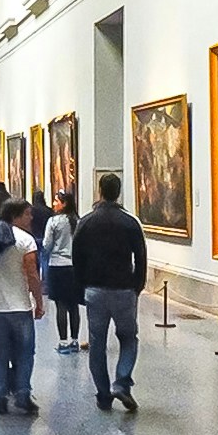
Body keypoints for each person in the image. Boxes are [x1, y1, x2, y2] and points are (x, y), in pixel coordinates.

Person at [73, 173, 147, 413]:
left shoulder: (86, 222)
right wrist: (137, 285)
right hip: (124, 289)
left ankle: (103, 394)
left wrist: (82, 286)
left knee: (97, 343)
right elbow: (141, 257)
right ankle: (122, 382)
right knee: (128, 338)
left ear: (100, 191)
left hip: (95, 289)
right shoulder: (130, 222)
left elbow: (77, 258)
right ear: (119, 192)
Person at [0, 198, 45, 415]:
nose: (31, 218)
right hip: (20, 306)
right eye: (27, 214)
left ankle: (0, 396)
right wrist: (39, 302)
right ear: (15, 216)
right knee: (25, 352)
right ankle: (22, 394)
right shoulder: (26, 240)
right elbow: (32, 274)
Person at [42, 190, 83, 353]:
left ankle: (63, 342)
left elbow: (47, 244)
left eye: (56, 201)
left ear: (64, 203)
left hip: (57, 266)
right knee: (74, 305)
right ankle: (75, 340)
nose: (54, 203)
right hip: (75, 267)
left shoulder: (53, 221)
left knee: (61, 305)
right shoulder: (78, 221)